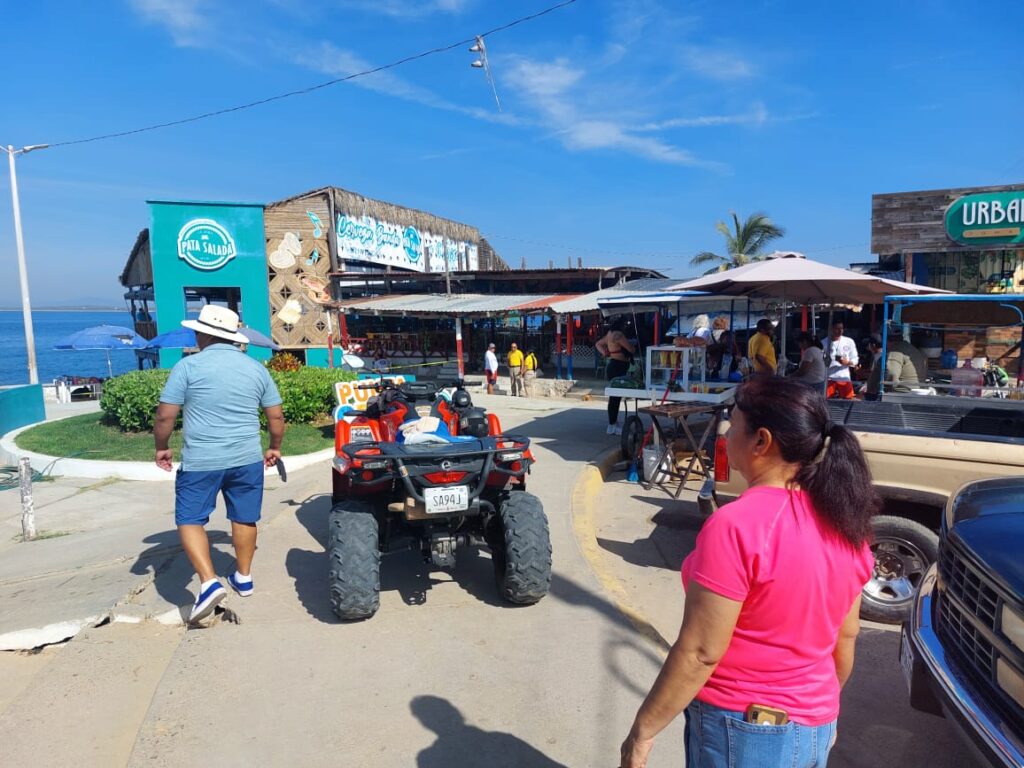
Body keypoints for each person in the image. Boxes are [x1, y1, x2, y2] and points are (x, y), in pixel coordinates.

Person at [620, 376, 879, 768]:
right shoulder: (847, 526)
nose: (724, 435)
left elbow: (701, 653)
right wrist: (822, 709)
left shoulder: (736, 525)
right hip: (817, 725)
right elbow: (845, 638)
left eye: (733, 424)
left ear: (761, 441)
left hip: (743, 730)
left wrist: (643, 732)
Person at [153, 305, 285, 623]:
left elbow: (165, 415)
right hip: (247, 459)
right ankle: (244, 577)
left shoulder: (187, 367)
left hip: (202, 461)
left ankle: (209, 582)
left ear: (205, 334)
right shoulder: (256, 369)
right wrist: (275, 447)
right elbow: (276, 416)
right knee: (244, 517)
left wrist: (161, 447)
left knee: (189, 518)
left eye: (197, 331)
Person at [596, 320, 636, 435]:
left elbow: (598, 343)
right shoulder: (618, 335)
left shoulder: (609, 334)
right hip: (618, 367)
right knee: (615, 397)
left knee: (614, 397)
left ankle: (613, 424)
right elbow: (630, 349)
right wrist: (633, 346)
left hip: (613, 364)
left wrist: (605, 353)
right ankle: (612, 424)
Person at [863, 335, 927, 398]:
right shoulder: (911, 349)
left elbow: (891, 373)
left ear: (885, 339)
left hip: (900, 394)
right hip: (913, 393)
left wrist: (879, 390)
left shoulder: (895, 351)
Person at [825, 322, 859, 399]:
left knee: (848, 400)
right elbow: (821, 361)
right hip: (829, 377)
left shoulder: (849, 341)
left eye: (841, 328)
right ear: (831, 329)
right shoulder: (824, 343)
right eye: (837, 328)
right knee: (827, 401)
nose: (840, 331)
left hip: (844, 377)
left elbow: (855, 359)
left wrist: (848, 362)